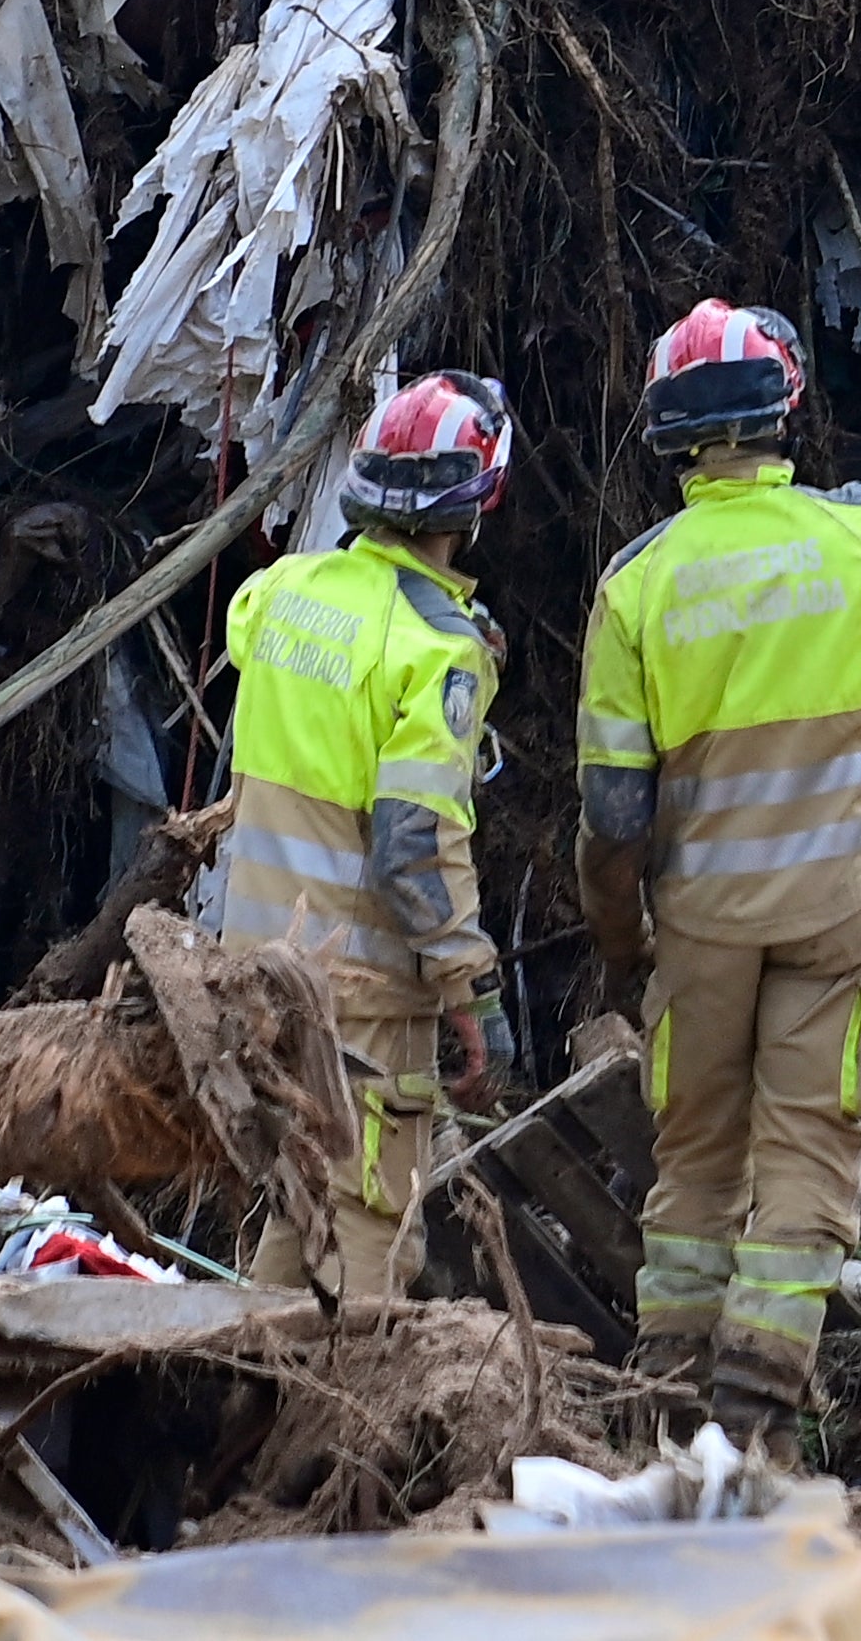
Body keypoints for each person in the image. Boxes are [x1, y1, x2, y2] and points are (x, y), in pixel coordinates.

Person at [579, 280, 861, 1423]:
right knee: (809, 1157)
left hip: (703, 925)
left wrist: (622, 946)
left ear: (671, 428)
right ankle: (758, 1426)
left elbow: (614, 816)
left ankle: (670, 1410)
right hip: (838, 912)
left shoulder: (636, 585)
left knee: (696, 1168)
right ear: (785, 411)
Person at [209, 368, 514, 1298]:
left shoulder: (280, 592)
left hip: (253, 970)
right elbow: (412, 845)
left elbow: (266, 644)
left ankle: (243, 1410)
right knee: (362, 1242)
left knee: (295, 1209)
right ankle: (316, 1436)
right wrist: (474, 991)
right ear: (480, 499)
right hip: (362, 994)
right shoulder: (439, 651)